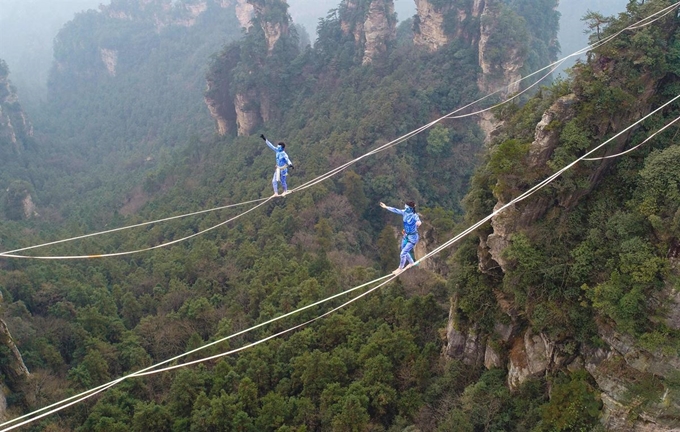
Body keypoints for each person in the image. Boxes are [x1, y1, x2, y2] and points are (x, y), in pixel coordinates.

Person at [380, 200, 421, 275]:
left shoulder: (414, 215)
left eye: (406, 207)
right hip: (406, 235)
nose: (405, 208)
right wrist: (386, 207)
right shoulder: (404, 212)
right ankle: (411, 262)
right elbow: (396, 210)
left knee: (403, 253)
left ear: (410, 208)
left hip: (413, 237)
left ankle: (400, 268)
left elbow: (418, 221)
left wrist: (418, 223)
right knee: (403, 250)